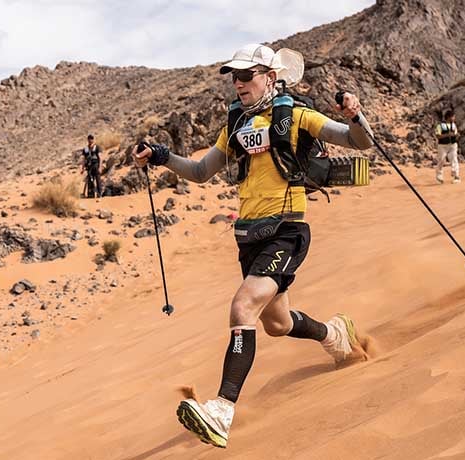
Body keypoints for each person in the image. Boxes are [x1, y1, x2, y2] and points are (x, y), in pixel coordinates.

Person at [132, 43, 373, 449]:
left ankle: (222, 411)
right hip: (249, 237)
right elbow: (200, 171)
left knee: (242, 307)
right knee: (276, 324)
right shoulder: (237, 126)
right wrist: (162, 155)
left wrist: (356, 116)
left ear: (271, 77)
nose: (238, 83)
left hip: (287, 231)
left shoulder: (297, 115)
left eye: (247, 75)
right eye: (234, 76)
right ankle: (336, 336)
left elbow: (358, 143)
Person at [435, 109, 460, 184]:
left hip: (452, 145)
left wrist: (456, 136)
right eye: (453, 117)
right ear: (449, 117)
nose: (454, 118)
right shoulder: (440, 125)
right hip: (442, 146)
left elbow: (455, 133)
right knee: (441, 160)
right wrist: (447, 135)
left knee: (454, 159)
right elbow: (438, 136)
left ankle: (456, 176)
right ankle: (439, 176)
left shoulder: (454, 125)